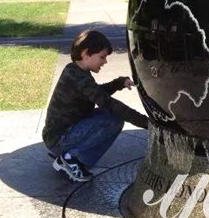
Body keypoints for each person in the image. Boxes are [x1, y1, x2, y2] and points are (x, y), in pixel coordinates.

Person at [42, 29, 149, 182]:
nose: (105, 62)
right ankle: (69, 159)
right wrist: (148, 124)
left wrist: (118, 83)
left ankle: (74, 157)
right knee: (112, 118)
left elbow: (96, 93)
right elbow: (107, 103)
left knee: (113, 117)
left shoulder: (75, 71)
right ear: (86, 54)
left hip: (63, 133)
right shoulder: (77, 76)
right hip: (59, 139)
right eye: (102, 57)